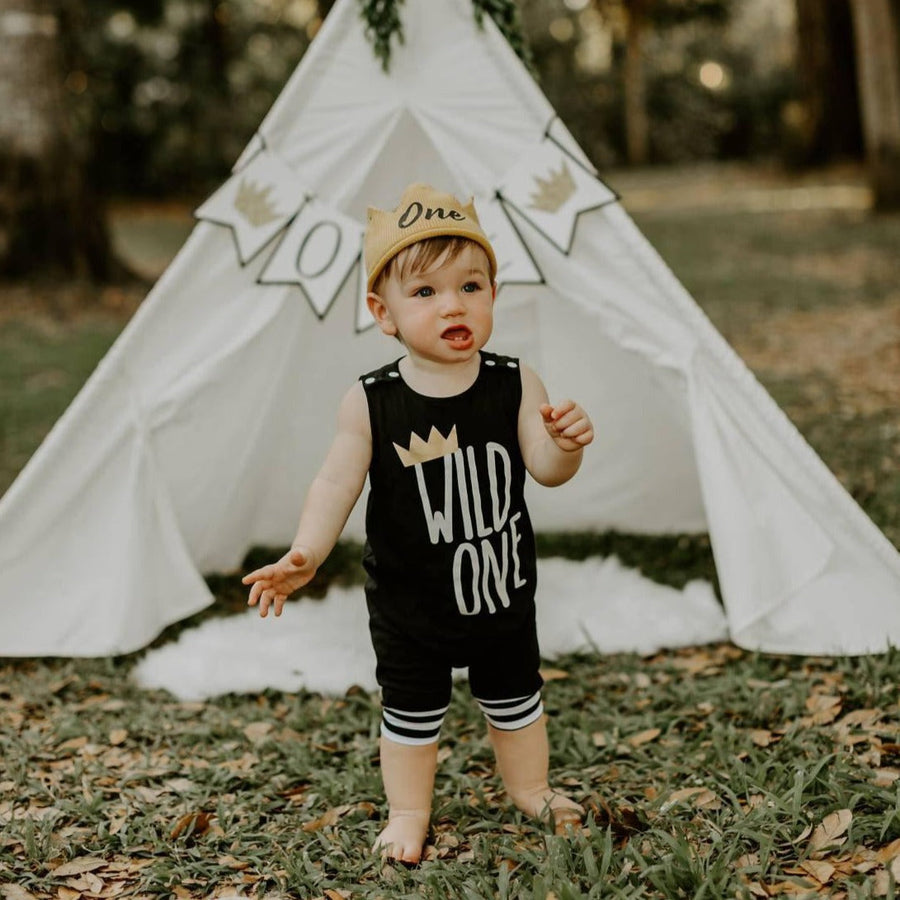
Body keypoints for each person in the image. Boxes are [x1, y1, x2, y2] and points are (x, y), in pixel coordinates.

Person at [243, 183, 594, 864]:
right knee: (411, 714)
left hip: (500, 590)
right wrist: (307, 551)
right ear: (385, 313)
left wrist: (568, 446)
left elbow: (545, 468)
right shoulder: (372, 401)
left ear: (494, 292)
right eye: (425, 293)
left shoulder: (515, 382)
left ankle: (532, 788)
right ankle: (409, 811)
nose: (454, 304)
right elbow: (336, 480)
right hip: (411, 602)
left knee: (517, 700)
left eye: (471, 284)